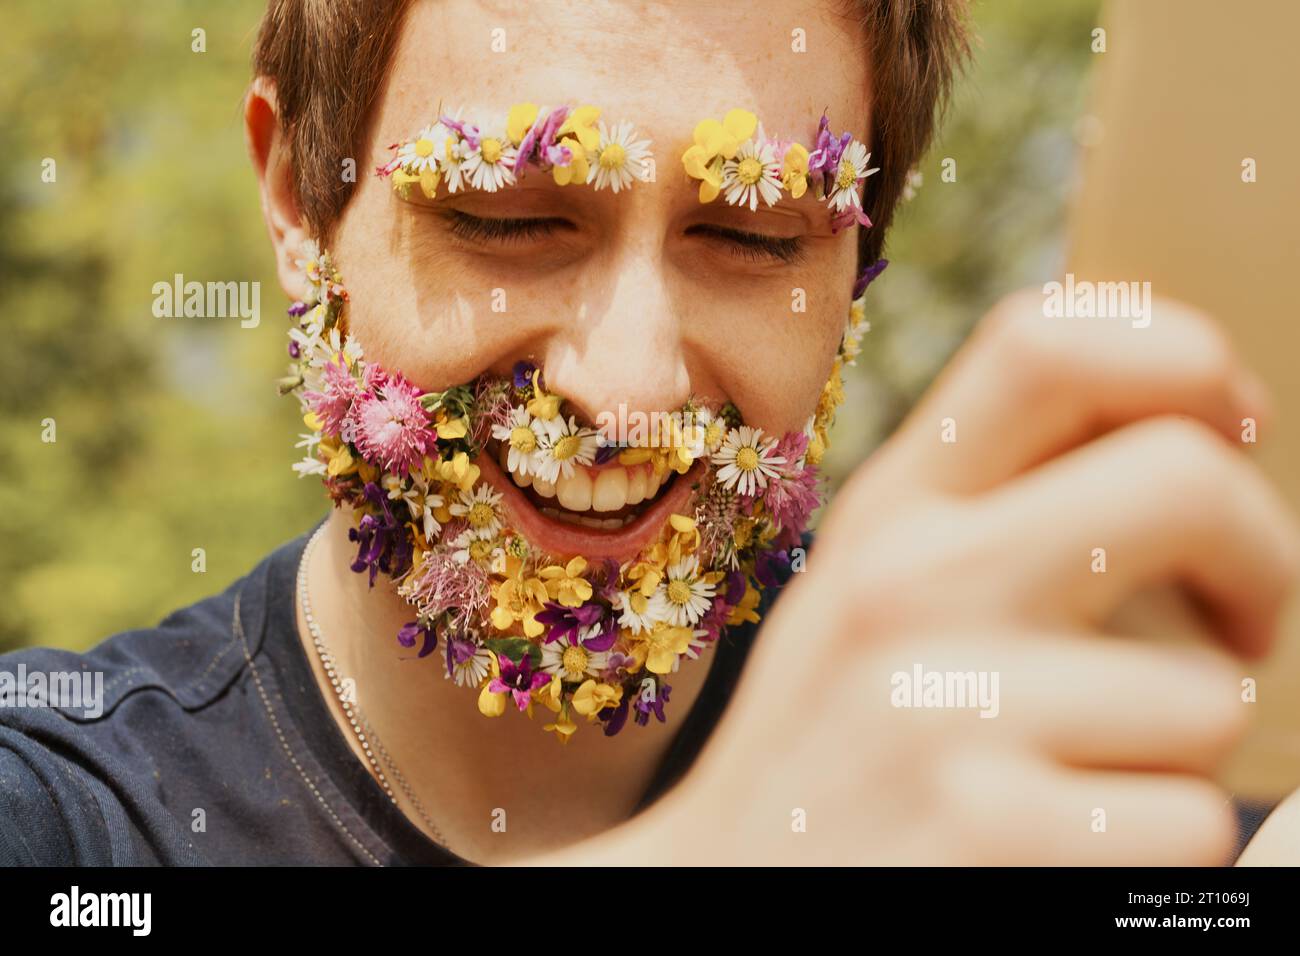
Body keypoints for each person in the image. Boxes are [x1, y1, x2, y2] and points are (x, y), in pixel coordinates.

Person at [1, 0, 1297, 867]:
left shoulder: (1044, 785)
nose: (626, 390)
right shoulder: (66, 811)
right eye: (509, 219)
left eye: (753, 236)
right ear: (297, 202)